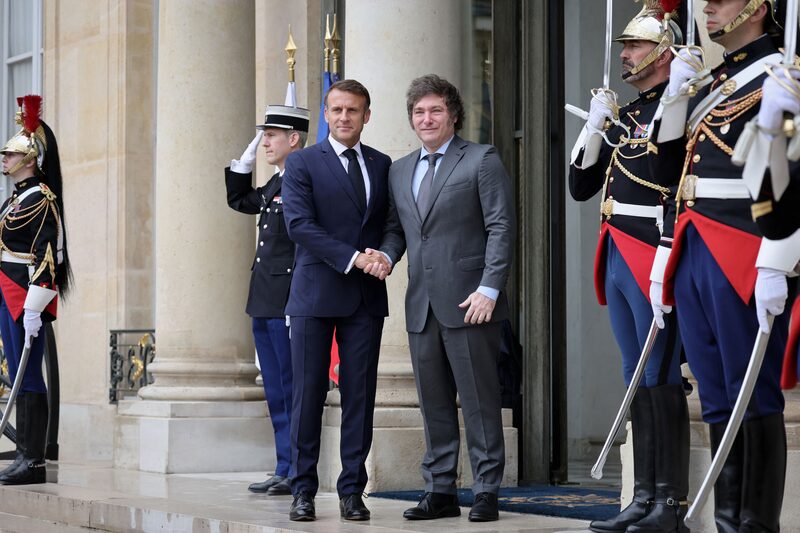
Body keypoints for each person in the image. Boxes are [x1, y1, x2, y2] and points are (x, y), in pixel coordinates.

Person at [649, 1, 795, 529]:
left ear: (757, 8)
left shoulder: (785, 72)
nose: (707, 8)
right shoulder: (716, 81)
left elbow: (791, 181)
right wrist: (672, 96)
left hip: (745, 249)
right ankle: (729, 522)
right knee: (715, 395)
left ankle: (755, 526)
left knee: (750, 394)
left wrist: (780, 256)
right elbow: (668, 170)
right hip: (694, 244)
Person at [367, 74, 515, 523]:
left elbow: (501, 226)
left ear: (453, 114)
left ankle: (487, 487)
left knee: (479, 399)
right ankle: (441, 489)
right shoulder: (400, 169)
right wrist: (387, 256)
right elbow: (399, 230)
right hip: (422, 304)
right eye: (418, 112)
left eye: (434, 110)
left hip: (471, 301)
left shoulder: (481, 159)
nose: (426, 118)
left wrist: (490, 287)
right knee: (432, 403)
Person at [568, 4, 690, 531]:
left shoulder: (679, 105)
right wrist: (595, 128)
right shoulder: (631, 112)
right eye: (625, 46)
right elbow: (580, 187)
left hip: (654, 251)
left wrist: (668, 249)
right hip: (617, 250)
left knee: (661, 376)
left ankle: (670, 503)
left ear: (663, 53)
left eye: (636, 46)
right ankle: (642, 496)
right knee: (634, 376)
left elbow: (670, 175)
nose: (625, 53)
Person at [281, 79, 391, 522]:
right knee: (307, 396)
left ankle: (352, 491)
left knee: (360, 398)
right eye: (336, 110)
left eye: (354, 110)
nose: (344, 117)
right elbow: (299, 226)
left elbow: (393, 222)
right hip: (314, 295)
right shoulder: (303, 162)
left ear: (367, 115)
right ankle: (303, 490)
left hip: (365, 299)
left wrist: (384, 255)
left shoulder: (383, 164)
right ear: (326, 115)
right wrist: (354, 259)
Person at [225, 104, 310, 496]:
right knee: (275, 389)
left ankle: (296, 469)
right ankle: (283, 465)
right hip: (264, 299)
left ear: (294, 139)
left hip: (288, 301)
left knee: (292, 387)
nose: (265, 143)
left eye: (272, 135)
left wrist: (298, 302)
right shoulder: (277, 183)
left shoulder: (304, 180)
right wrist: (242, 161)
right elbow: (240, 201)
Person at [0, 95, 71, 485]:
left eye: (11, 155)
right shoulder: (15, 199)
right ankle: (25, 455)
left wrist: (35, 304)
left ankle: (33, 459)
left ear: (29, 159)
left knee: (27, 376)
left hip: (24, 296)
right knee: (17, 374)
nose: (5, 160)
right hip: (7, 292)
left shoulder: (41, 199)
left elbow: (48, 253)